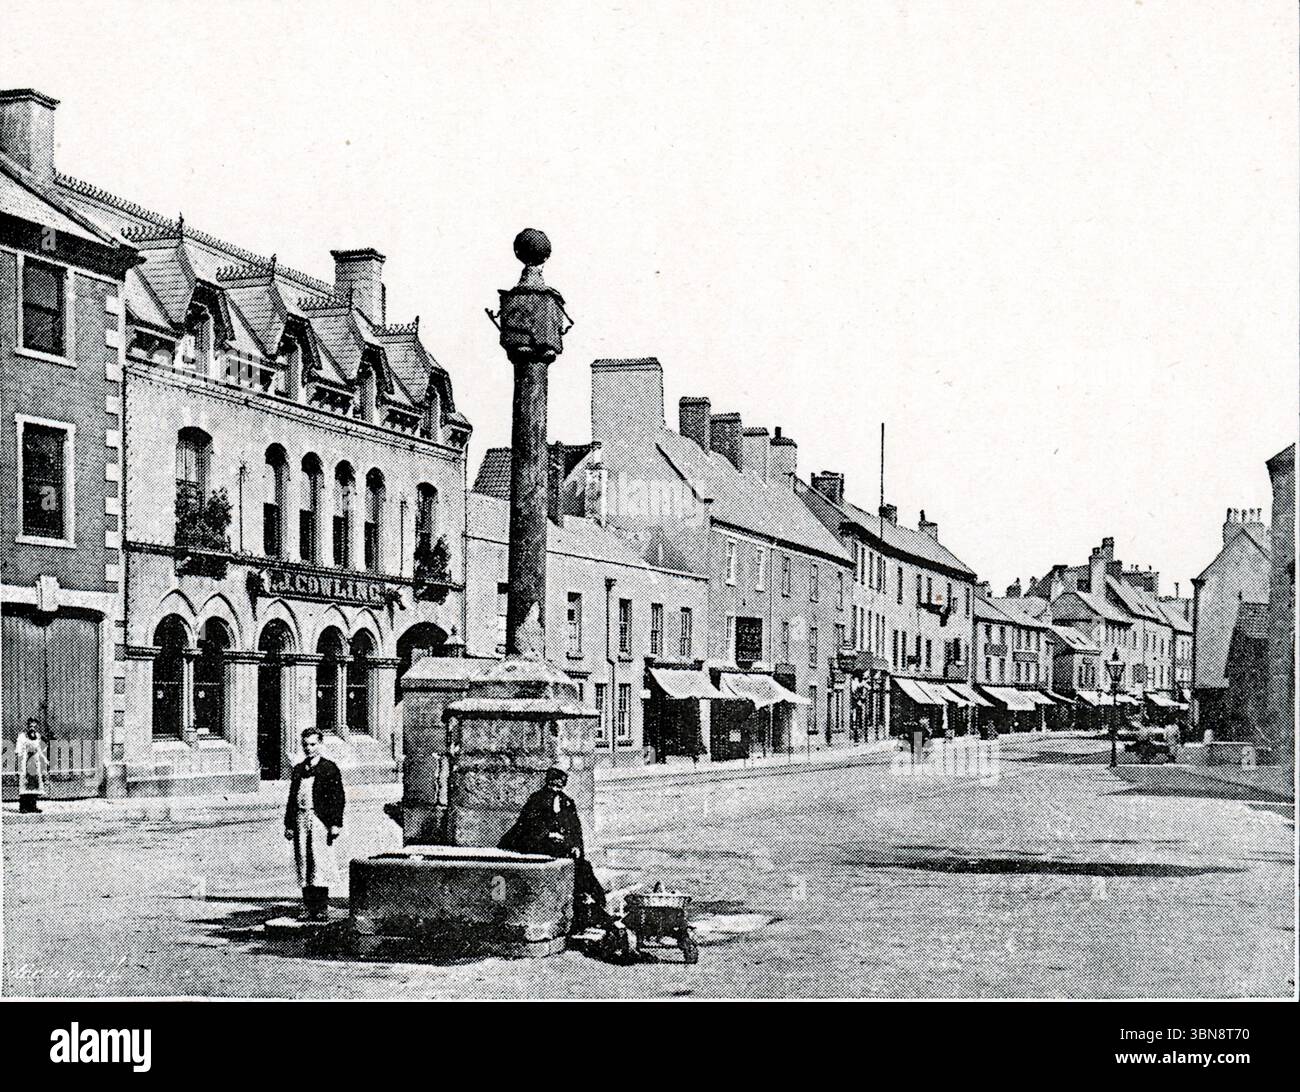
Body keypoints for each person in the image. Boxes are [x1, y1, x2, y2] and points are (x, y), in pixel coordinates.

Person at [499, 767, 615, 934]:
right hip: (536, 848)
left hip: (561, 849)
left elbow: (575, 829)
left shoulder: (567, 802)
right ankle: (588, 914)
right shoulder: (536, 800)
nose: (555, 790)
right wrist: (547, 834)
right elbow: (526, 827)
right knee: (576, 871)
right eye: (552, 786)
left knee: (584, 868)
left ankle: (599, 907)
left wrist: (576, 846)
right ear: (548, 783)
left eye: (559, 787)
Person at [284, 729, 345, 921]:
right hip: (301, 819)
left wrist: (335, 823)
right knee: (304, 860)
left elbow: (338, 798)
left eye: (312, 744)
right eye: (305, 745)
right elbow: (292, 799)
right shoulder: (299, 769)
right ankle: (308, 906)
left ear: (320, 744)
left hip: (319, 820)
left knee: (320, 861)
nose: (309, 748)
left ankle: (321, 907)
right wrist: (289, 824)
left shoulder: (329, 768)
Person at [15, 719, 49, 813]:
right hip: (25, 761)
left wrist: (44, 759)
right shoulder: (22, 736)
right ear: (27, 726)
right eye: (30, 726)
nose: (32, 727)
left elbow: (38, 748)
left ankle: (33, 806)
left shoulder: (37, 736)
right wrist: (20, 761)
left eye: (34, 726)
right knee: (25, 783)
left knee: (34, 783)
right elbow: (18, 750)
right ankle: (23, 807)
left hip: (34, 762)